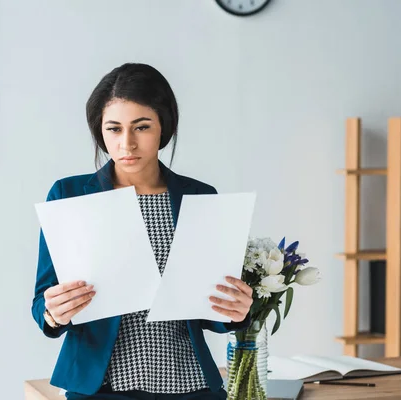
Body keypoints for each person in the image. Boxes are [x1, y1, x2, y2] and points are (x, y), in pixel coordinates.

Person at [31, 63, 253, 400]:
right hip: (101, 387)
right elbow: (43, 300)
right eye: (114, 129)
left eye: (142, 127)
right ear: (100, 132)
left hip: (189, 383)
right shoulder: (69, 196)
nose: (127, 144)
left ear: (164, 126)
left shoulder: (199, 196)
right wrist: (52, 313)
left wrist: (235, 313)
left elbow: (212, 311)